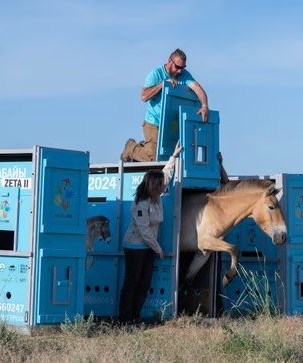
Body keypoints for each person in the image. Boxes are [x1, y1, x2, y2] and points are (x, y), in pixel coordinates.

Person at [118, 141, 183, 324]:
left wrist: (174, 155)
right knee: (133, 282)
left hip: (148, 247)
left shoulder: (156, 196)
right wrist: (158, 249)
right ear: (155, 186)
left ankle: (135, 316)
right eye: (162, 185)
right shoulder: (142, 203)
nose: (165, 186)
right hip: (135, 246)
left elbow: (167, 173)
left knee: (144, 283)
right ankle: (124, 318)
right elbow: (144, 231)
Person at [121, 49, 209, 162]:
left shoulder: (184, 75)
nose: (179, 71)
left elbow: (198, 88)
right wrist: (163, 84)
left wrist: (204, 106)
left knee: (170, 155)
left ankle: (145, 148)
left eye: (183, 68)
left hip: (171, 125)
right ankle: (131, 148)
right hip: (154, 122)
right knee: (154, 155)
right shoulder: (156, 74)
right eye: (177, 67)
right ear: (169, 61)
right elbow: (144, 97)